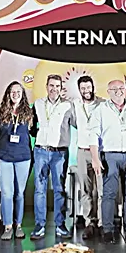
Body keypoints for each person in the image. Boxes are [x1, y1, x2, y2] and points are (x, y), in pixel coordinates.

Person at [90, 79, 126, 245]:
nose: (118, 91)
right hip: (110, 155)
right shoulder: (101, 109)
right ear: (108, 92)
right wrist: (95, 158)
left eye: (121, 88)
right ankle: (108, 230)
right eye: (114, 89)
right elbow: (93, 134)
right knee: (109, 194)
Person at [30, 74, 77, 240]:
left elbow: (78, 124)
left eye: (57, 86)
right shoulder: (38, 103)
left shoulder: (68, 105)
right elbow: (31, 126)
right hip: (40, 151)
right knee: (39, 189)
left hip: (60, 153)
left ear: (61, 88)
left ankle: (60, 225)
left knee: (59, 189)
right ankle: (39, 225)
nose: (54, 89)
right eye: (51, 85)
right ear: (46, 86)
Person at [0, 81, 33, 240]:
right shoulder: (0, 113)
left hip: (23, 158)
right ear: (8, 94)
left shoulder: (29, 113)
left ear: (23, 95)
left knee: (20, 193)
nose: (15, 95)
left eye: (18, 92)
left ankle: (18, 225)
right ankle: (8, 226)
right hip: (5, 158)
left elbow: (36, 131)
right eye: (12, 92)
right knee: (7, 193)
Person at [74, 76, 105, 239]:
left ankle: (102, 223)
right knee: (85, 189)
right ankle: (89, 223)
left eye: (88, 87)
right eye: (83, 88)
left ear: (93, 87)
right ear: (79, 90)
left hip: (99, 152)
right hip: (82, 151)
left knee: (101, 190)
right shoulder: (75, 104)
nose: (86, 91)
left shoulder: (103, 104)